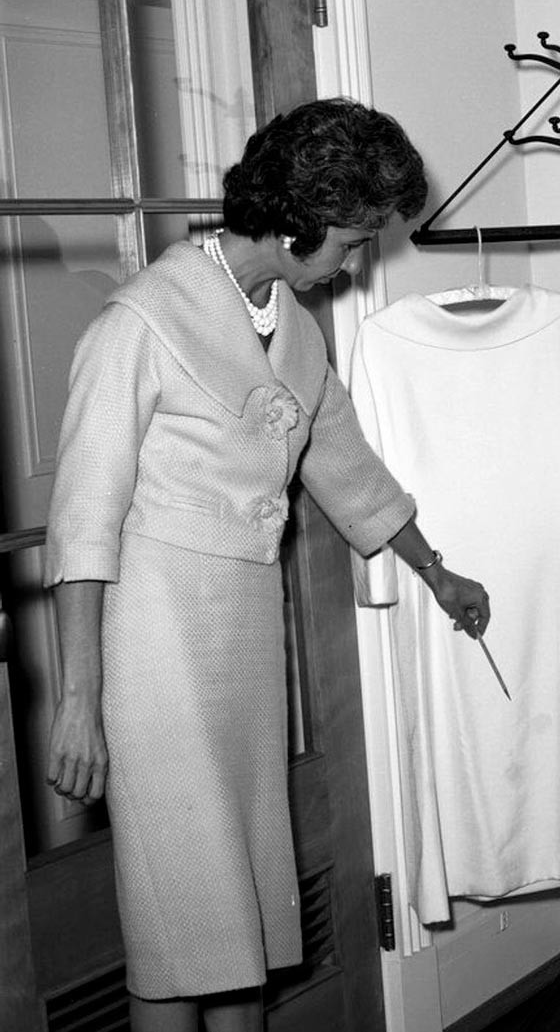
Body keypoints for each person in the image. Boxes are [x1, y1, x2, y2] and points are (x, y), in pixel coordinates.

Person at [41, 98, 491, 1032]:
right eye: (354, 239)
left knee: (238, 904)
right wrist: (78, 700)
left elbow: (348, 470)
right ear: (297, 222)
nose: (358, 261)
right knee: (179, 924)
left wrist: (435, 569)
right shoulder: (139, 324)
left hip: (243, 635)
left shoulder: (293, 327)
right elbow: (80, 523)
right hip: (150, 640)